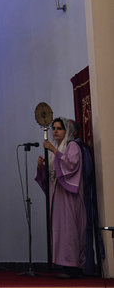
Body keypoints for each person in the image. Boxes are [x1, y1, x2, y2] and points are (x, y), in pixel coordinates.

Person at [35, 117, 94, 278]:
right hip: (58, 195)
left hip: (69, 196)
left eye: (59, 128)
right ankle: (63, 264)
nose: (55, 131)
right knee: (60, 230)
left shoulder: (72, 145)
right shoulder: (58, 147)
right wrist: (41, 166)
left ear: (66, 130)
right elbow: (51, 175)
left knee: (71, 229)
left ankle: (74, 266)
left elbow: (71, 165)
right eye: (53, 128)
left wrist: (54, 151)